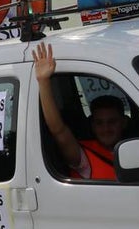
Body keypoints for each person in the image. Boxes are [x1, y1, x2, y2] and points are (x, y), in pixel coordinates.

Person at [32, 42, 127, 179]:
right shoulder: (84, 157)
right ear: (92, 126)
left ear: (124, 122)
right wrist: (43, 81)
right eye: (99, 123)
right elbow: (58, 130)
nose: (106, 128)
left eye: (112, 121)